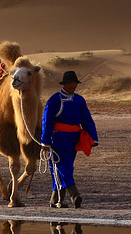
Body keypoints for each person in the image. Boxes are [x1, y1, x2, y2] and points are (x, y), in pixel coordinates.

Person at [39, 70, 98, 208]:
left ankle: (55, 200)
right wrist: (45, 141)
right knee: (62, 166)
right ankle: (74, 194)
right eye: (70, 84)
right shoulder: (54, 100)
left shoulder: (79, 100)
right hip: (57, 140)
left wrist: (93, 137)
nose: (73, 86)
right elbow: (47, 121)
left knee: (63, 168)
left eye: (74, 84)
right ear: (64, 84)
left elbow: (87, 119)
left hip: (74, 140)